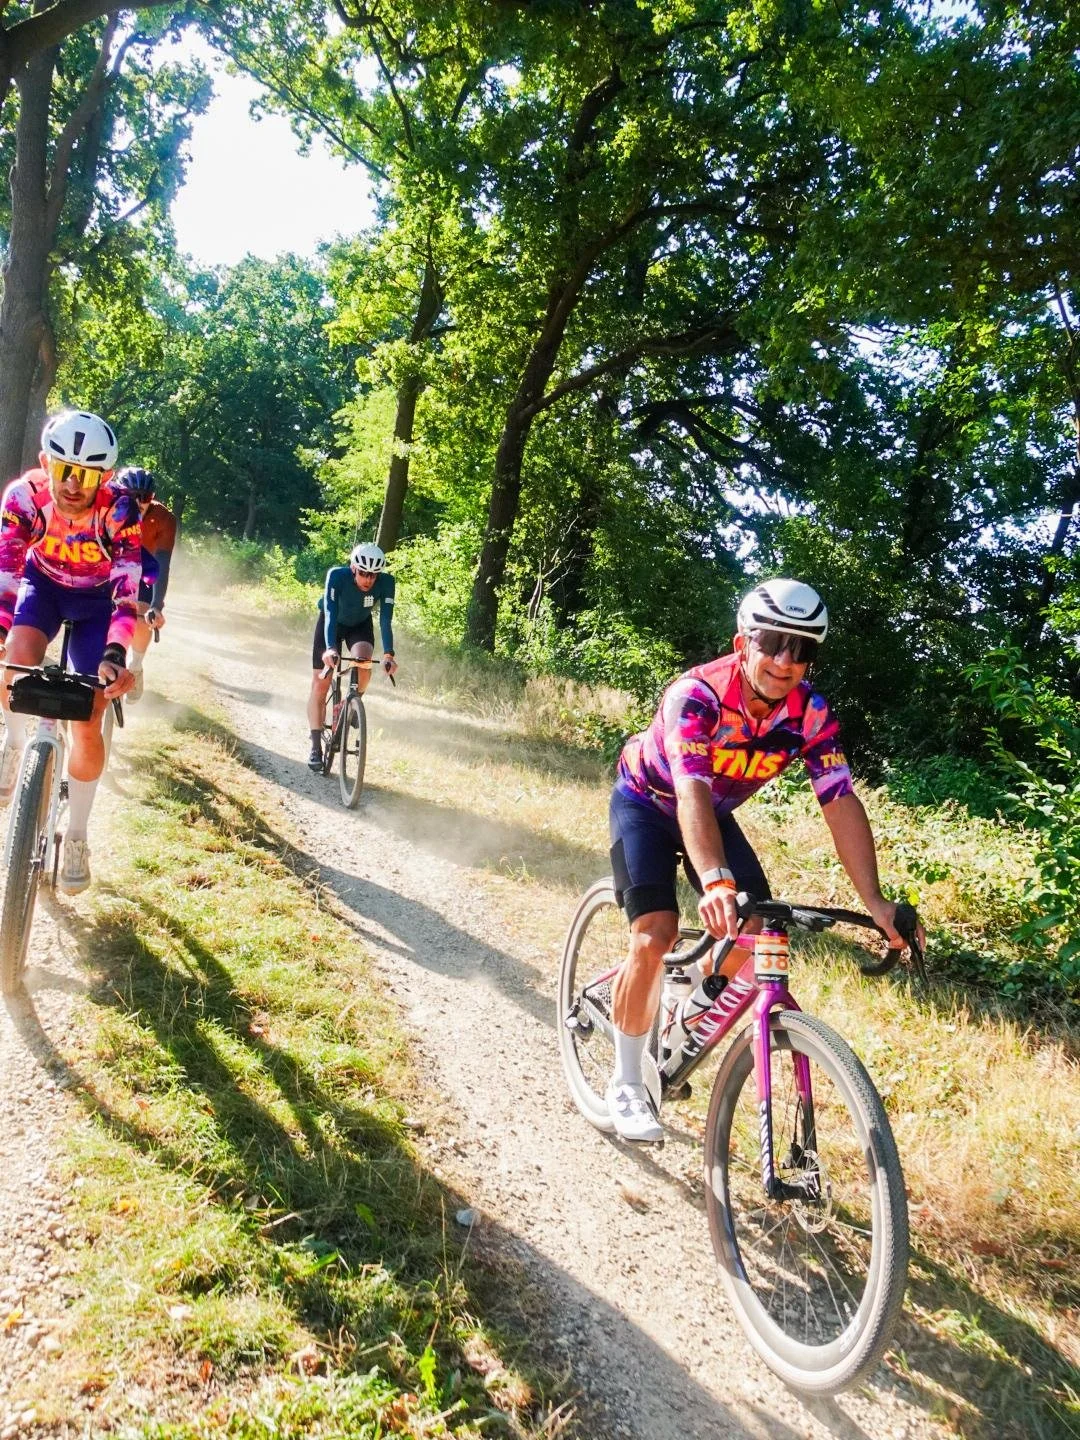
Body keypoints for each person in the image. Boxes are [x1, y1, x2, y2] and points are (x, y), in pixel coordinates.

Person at [605, 578, 922, 1143]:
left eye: (801, 648)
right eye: (773, 641)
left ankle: (692, 1003)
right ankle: (627, 1081)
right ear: (742, 641)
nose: (785, 659)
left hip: (712, 812)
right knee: (655, 935)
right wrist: (713, 878)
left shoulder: (810, 712)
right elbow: (692, 791)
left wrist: (875, 902)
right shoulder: (696, 695)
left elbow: (840, 799)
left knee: (757, 922)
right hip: (651, 802)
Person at [0, 410, 139, 893]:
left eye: (87, 475)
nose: (74, 484)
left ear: (105, 478)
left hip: (98, 600)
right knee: (15, 656)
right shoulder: (23, 498)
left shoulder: (120, 511)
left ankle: (77, 834)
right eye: (64, 470)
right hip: (43, 586)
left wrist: (117, 654)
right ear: (46, 463)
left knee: (88, 714)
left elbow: (127, 590)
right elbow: (8, 571)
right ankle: (15, 745)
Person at [306, 541, 398, 771]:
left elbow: (385, 620)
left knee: (364, 660)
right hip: (331, 623)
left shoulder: (387, 583)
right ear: (354, 568)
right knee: (321, 683)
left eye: (373, 575)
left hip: (359, 624)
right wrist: (330, 648)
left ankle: (352, 703)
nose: (368, 579)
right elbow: (330, 611)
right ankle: (315, 745)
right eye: (364, 573)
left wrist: (388, 654)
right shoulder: (337, 576)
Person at [112, 467, 176, 701]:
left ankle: (136, 666)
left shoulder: (163, 518)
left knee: (140, 615)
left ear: (153, 497)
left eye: (145, 497)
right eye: (131, 496)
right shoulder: (105, 507)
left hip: (143, 571)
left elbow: (162, 563)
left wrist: (156, 605)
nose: (139, 503)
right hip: (107, 566)